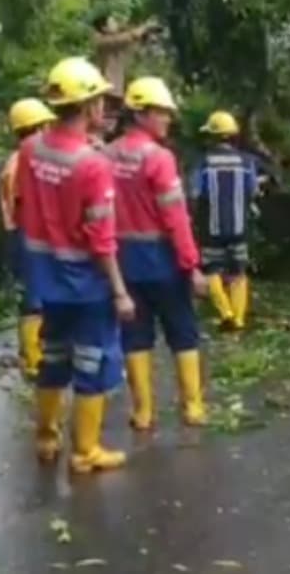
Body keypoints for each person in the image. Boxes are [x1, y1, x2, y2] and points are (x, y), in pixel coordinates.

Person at [17, 56, 136, 474]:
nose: (104, 108)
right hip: (85, 283)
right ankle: (85, 452)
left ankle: (47, 439)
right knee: (92, 361)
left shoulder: (31, 149)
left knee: (52, 358)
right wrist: (120, 291)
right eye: (100, 100)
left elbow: (24, 205)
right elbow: (101, 239)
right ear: (89, 107)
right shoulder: (93, 166)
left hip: (45, 279)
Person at [106, 77, 208, 430]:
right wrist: (191, 265)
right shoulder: (159, 158)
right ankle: (192, 407)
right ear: (141, 114)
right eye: (162, 113)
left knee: (135, 336)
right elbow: (176, 217)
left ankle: (143, 412)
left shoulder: (106, 155)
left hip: (122, 260)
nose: (167, 119)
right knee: (183, 332)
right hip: (162, 258)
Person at [0, 98, 57, 379]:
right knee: (34, 298)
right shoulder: (27, 159)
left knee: (33, 294)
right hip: (29, 233)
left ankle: (35, 353)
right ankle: (34, 359)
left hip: (20, 233)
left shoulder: (16, 159)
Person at [191, 110, 258, 331]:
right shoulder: (246, 161)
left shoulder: (204, 162)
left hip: (211, 228)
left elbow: (194, 193)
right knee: (238, 271)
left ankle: (225, 313)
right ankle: (238, 319)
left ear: (212, 136)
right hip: (239, 227)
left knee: (212, 270)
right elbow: (253, 190)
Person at [91, 12, 161, 100]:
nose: (116, 24)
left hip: (118, 89)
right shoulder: (102, 41)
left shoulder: (117, 41)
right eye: (112, 22)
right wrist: (145, 27)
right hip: (107, 88)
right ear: (104, 28)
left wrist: (146, 35)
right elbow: (128, 37)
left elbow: (133, 42)